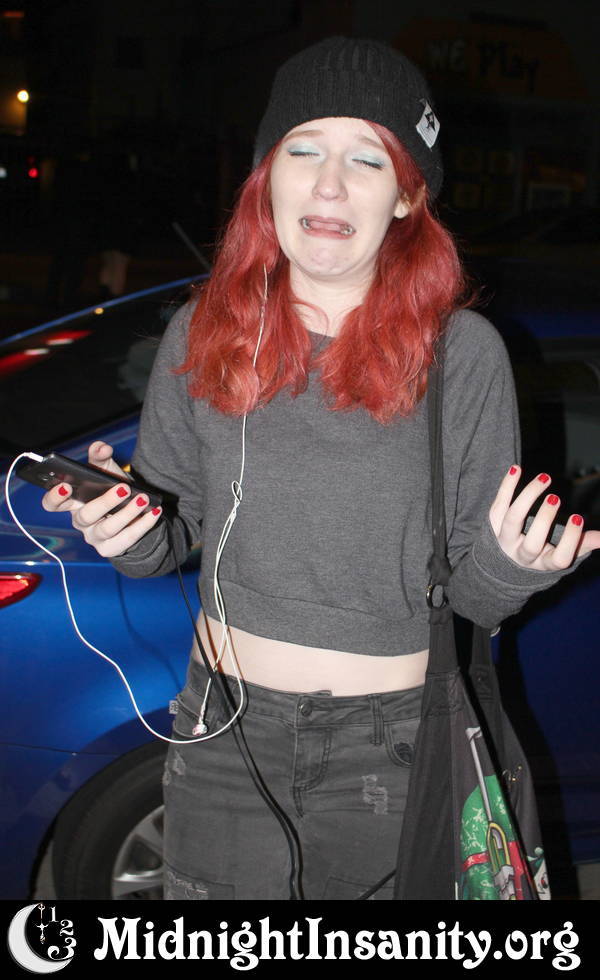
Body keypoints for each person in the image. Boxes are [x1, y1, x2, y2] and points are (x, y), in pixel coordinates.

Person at [41, 37, 599, 901]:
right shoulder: (203, 331)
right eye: (303, 150)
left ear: (407, 195)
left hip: (395, 747)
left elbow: (473, 600)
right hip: (223, 732)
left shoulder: (462, 354)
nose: (329, 183)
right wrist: (125, 530)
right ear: (268, 177)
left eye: (366, 158)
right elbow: (168, 540)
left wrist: (514, 565)